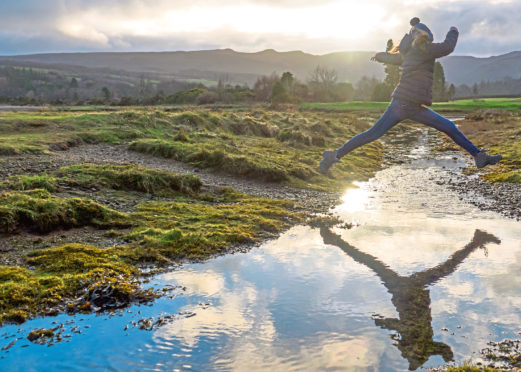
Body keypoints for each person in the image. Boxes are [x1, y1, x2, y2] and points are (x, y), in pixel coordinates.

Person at [319, 17, 502, 174]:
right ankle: (332, 155)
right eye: (428, 38)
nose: (430, 42)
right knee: (374, 134)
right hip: (403, 105)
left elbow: (393, 59)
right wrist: (453, 30)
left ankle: (479, 156)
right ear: (423, 37)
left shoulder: (408, 53)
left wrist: (380, 55)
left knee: (448, 126)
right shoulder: (424, 50)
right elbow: (448, 47)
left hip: (411, 106)